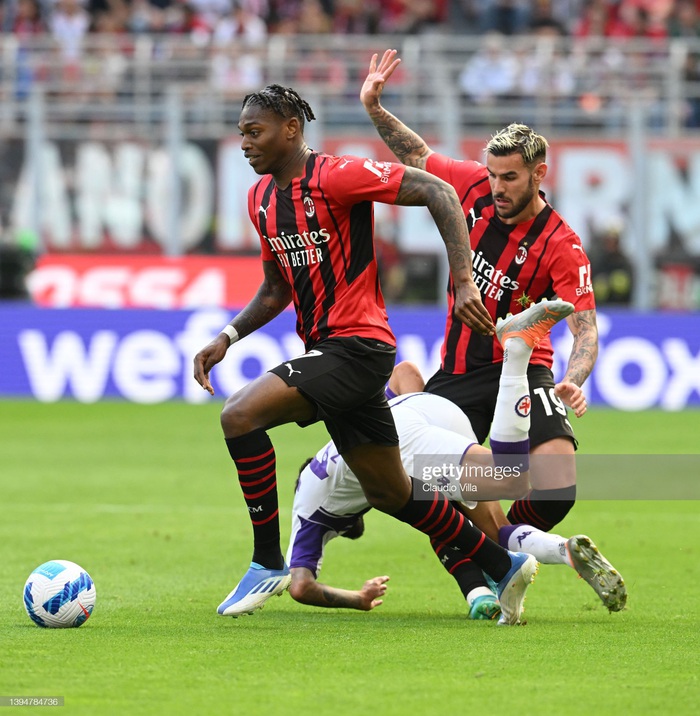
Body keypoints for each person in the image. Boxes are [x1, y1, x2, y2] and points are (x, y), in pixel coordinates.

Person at [192, 83, 537, 626]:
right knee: (391, 491)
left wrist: (465, 280)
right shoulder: (260, 199)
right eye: (240, 133)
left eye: (254, 132)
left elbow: (441, 193)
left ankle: (265, 562)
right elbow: (276, 288)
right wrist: (228, 337)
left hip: (358, 348)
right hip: (329, 352)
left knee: (239, 416)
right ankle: (502, 561)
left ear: (291, 129)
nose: (244, 143)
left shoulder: (337, 175)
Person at [361, 50, 599, 536]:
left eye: (509, 178)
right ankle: (496, 550)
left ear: (539, 174)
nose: (496, 187)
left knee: (557, 486)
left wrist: (574, 378)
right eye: (492, 175)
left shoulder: (562, 244)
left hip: (527, 368)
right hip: (462, 372)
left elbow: (586, 328)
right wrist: (375, 109)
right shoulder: (470, 185)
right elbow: (416, 155)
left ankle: (508, 540)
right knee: (429, 480)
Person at [286, 301, 626, 617]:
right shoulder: (336, 458)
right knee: (490, 525)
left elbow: (300, 587)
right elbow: (404, 372)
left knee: (510, 479)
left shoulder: (309, 517)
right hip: (436, 411)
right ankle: (563, 550)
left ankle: (517, 351)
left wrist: (357, 600)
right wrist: (416, 405)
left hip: (408, 441)